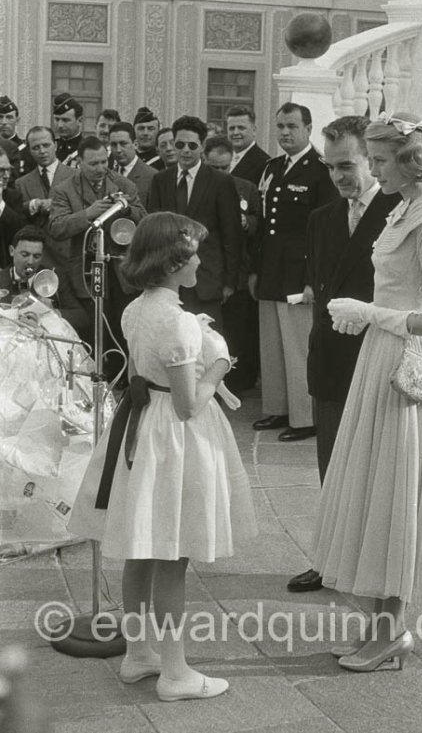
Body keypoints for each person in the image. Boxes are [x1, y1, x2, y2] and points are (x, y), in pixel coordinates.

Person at [68, 212, 257, 701]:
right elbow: (189, 402)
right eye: (194, 253)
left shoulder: (137, 309)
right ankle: (175, 672)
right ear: (175, 261)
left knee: (143, 549)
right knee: (173, 553)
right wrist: (219, 363)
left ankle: (138, 654)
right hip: (173, 436)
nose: (200, 260)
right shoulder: (178, 323)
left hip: (141, 427)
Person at [311, 112, 422, 671]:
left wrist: (370, 312)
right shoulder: (404, 208)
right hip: (382, 356)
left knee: (395, 494)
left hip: (407, 365)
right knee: (377, 489)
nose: (373, 170)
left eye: (379, 160)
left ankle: (392, 631)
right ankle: (379, 628)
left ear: (408, 161)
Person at [287, 115, 400, 593]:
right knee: (331, 468)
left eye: (348, 165)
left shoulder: (399, 212)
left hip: (376, 361)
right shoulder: (322, 218)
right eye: (331, 167)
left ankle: (366, 566)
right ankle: (328, 559)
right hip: (330, 363)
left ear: (372, 161)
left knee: (371, 473)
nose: (339, 177)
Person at [250, 102, 337, 442]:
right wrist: (255, 270)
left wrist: (314, 279)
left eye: (291, 126)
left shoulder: (319, 169)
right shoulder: (272, 167)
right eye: (280, 126)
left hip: (300, 272)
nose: (284, 133)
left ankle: (305, 418)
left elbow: (324, 231)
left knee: (299, 347)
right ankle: (279, 409)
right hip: (271, 269)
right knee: (271, 346)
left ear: (308, 128)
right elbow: (264, 227)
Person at [48, 135, 146, 361]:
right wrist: (88, 214)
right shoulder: (64, 190)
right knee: (96, 322)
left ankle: (125, 372)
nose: (101, 168)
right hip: (87, 270)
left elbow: (144, 217)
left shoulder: (123, 184)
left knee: (123, 321)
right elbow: (56, 227)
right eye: (93, 163)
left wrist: (126, 209)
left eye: (104, 161)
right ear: (79, 163)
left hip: (120, 268)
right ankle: (100, 369)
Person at [148, 115, 241, 330]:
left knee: (207, 343)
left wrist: (229, 282)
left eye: (192, 145)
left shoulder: (220, 181)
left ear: (201, 147)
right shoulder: (160, 180)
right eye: (180, 144)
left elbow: (232, 234)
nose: (185, 150)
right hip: (168, 279)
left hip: (207, 281)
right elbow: (155, 231)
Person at [203, 134, 261, 392]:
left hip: (237, 271)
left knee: (237, 332)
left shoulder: (245, 187)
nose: (220, 173)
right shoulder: (198, 188)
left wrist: (247, 222)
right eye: (214, 168)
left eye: (224, 168)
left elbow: (260, 223)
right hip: (206, 273)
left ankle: (236, 381)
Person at [0, 225, 89, 337]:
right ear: (11, 251)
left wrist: (53, 312)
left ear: (43, 256)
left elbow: (81, 317)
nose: (30, 261)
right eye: (25, 255)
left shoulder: (55, 277)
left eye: (36, 256)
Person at [16, 126, 74, 269]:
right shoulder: (21, 183)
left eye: (46, 145)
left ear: (56, 145)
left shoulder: (76, 176)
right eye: (36, 148)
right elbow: (16, 216)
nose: (42, 151)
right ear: (29, 151)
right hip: (37, 260)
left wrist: (54, 205)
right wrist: (31, 206)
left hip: (70, 256)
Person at [109, 121, 156, 209]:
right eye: (114, 145)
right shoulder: (109, 176)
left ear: (135, 144)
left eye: (123, 144)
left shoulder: (152, 176)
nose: (118, 150)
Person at [226, 105, 270, 187]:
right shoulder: (223, 157)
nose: (235, 132)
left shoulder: (265, 164)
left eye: (241, 128)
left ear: (254, 130)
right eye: (232, 128)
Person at [0, 147, 24, 268]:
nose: (6, 176)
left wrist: (1, 205)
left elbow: (18, 233)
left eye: (8, 170)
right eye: (1, 171)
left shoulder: (14, 197)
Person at [0, 95, 33, 175]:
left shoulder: (27, 151)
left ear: (17, 120)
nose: (4, 122)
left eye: (9, 117)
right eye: (0, 117)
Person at [52, 92, 84, 166]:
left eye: (65, 120)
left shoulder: (86, 149)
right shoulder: (51, 148)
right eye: (57, 119)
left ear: (79, 121)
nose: (60, 125)